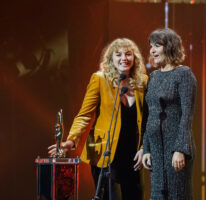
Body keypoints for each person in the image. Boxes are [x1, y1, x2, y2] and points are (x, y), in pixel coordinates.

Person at [48, 38, 148, 200]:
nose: (124, 58)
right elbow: (84, 115)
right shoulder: (100, 79)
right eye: (118, 54)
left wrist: (145, 147)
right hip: (105, 153)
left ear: (134, 58)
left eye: (128, 54)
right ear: (111, 59)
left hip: (132, 154)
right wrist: (71, 141)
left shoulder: (142, 82)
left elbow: (147, 121)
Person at [142, 28, 197, 200]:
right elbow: (149, 115)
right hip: (156, 148)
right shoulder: (153, 77)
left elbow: (187, 115)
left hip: (175, 147)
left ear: (170, 47)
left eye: (157, 45)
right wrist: (146, 148)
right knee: (158, 195)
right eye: (151, 46)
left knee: (177, 195)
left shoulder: (184, 74)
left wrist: (180, 149)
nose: (152, 50)